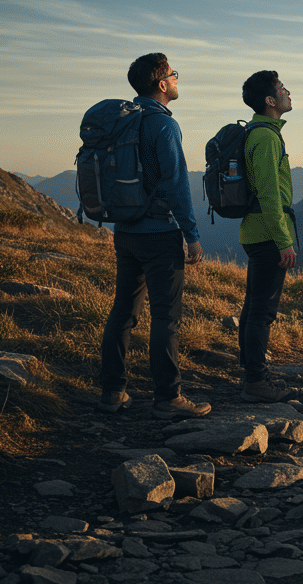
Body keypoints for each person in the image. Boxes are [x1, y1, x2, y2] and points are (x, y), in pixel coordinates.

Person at [97, 53, 210, 420]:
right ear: (162, 85)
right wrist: (191, 234)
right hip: (160, 234)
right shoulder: (163, 125)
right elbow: (177, 184)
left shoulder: (125, 122)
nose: (178, 80)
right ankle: (168, 397)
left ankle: (113, 391)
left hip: (124, 231)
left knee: (123, 312)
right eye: (175, 75)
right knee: (166, 317)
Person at [236, 70, 298, 403]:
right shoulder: (266, 137)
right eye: (283, 89)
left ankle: (250, 370)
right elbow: (269, 193)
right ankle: (256, 382)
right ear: (270, 101)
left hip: (255, 230)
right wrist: (283, 239)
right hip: (266, 233)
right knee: (262, 310)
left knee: (253, 306)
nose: (289, 92)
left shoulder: (261, 133)